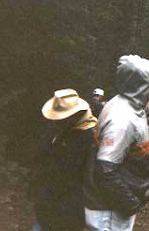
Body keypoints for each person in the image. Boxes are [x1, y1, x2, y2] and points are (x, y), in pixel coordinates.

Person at [84, 55, 149, 231]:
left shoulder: (127, 104)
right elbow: (106, 170)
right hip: (109, 208)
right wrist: (129, 202)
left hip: (117, 199)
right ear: (143, 83)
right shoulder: (122, 120)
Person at [33, 89, 97, 231]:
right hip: (48, 197)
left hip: (69, 203)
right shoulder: (60, 128)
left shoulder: (86, 136)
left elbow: (72, 172)